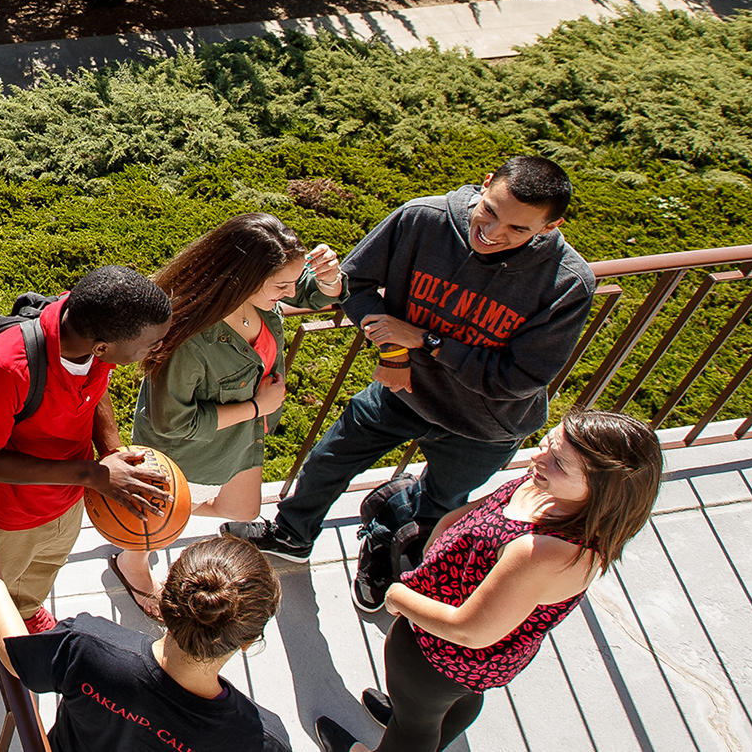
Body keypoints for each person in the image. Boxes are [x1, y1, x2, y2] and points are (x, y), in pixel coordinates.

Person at [226, 156, 595, 567]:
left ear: (550, 227)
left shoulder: (566, 283)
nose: (491, 233)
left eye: (516, 229)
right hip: (401, 388)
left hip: (486, 424)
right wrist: (395, 354)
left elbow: (518, 380)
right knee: (329, 459)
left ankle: (385, 552)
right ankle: (293, 535)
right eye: (489, 211)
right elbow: (354, 284)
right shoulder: (424, 219)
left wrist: (424, 339)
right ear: (485, 182)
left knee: (436, 504)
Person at [317, 409, 664, 752]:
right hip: (470, 664)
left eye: (559, 462)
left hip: (443, 654)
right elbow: (471, 515)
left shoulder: (545, 553)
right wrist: (434, 555)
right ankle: (421, 712)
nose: (539, 457)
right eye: (548, 444)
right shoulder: (550, 490)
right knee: (449, 701)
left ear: (605, 490)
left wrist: (396, 596)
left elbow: (469, 631)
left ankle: (409, 725)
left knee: (413, 729)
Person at [0, 266, 175, 699]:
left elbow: (96, 389)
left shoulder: (85, 328)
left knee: (42, 569)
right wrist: (93, 474)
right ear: (104, 344)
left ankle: (27, 608)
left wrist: (108, 450)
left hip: (67, 499)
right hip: (7, 516)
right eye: (151, 342)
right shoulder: (6, 368)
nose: (159, 346)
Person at [117, 214, 344, 616]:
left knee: (244, 511)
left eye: (293, 281)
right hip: (193, 453)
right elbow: (174, 422)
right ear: (246, 277)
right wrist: (259, 407)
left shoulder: (258, 297)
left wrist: (327, 278)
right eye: (282, 286)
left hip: (242, 437)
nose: (292, 293)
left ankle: (163, 510)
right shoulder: (190, 339)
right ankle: (132, 559)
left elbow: (317, 294)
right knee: (163, 527)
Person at [0, 527, 291, 752]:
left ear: (166, 597)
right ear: (247, 641)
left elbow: (14, 655)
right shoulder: (261, 740)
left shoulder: (88, 647)